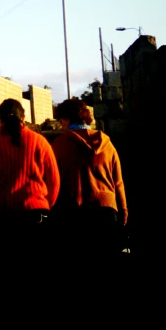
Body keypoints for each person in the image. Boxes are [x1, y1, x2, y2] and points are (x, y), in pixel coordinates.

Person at [0, 98, 60, 327]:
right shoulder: (39, 142)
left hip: (1, 216)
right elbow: (54, 181)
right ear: (23, 118)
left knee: (5, 274)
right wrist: (45, 204)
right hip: (36, 215)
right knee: (35, 272)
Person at [50, 97, 128, 259]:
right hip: (106, 211)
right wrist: (123, 210)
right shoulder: (108, 145)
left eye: (61, 121)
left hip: (73, 214)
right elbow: (118, 181)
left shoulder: (59, 145)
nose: (61, 126)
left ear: (67, 119)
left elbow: (52, 181)